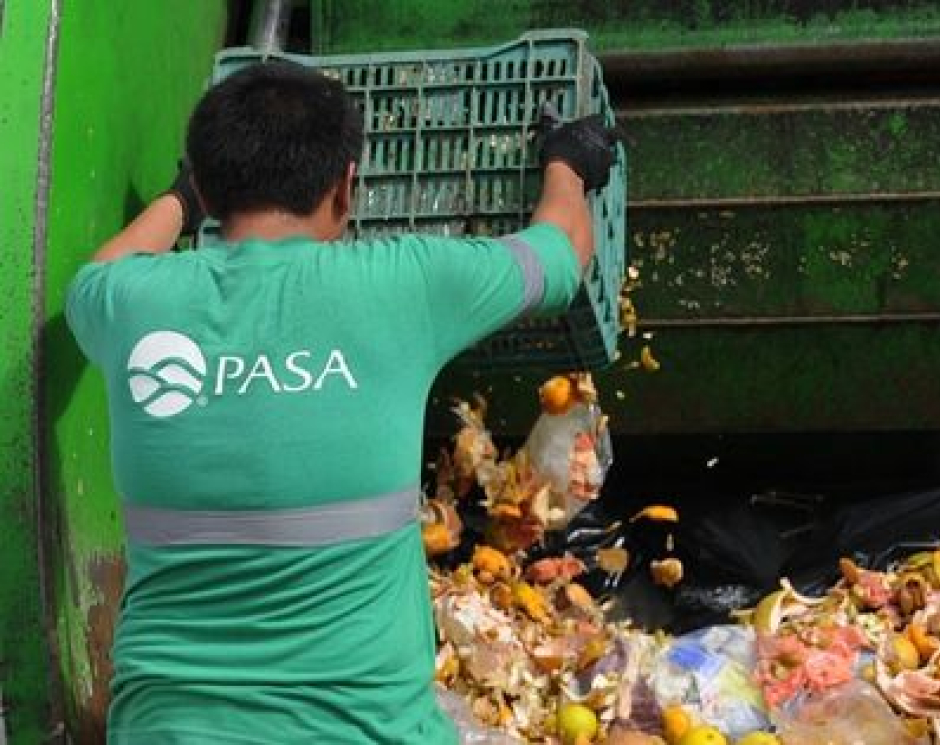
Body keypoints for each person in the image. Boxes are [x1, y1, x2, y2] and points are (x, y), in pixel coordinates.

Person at [64, 60, 617, 744]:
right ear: (345, 185)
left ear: (209, 186)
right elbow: (564, 250)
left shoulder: (131, 304)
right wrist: (568, 162)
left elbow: (98, 273)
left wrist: (179, 199)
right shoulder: (403, 283)